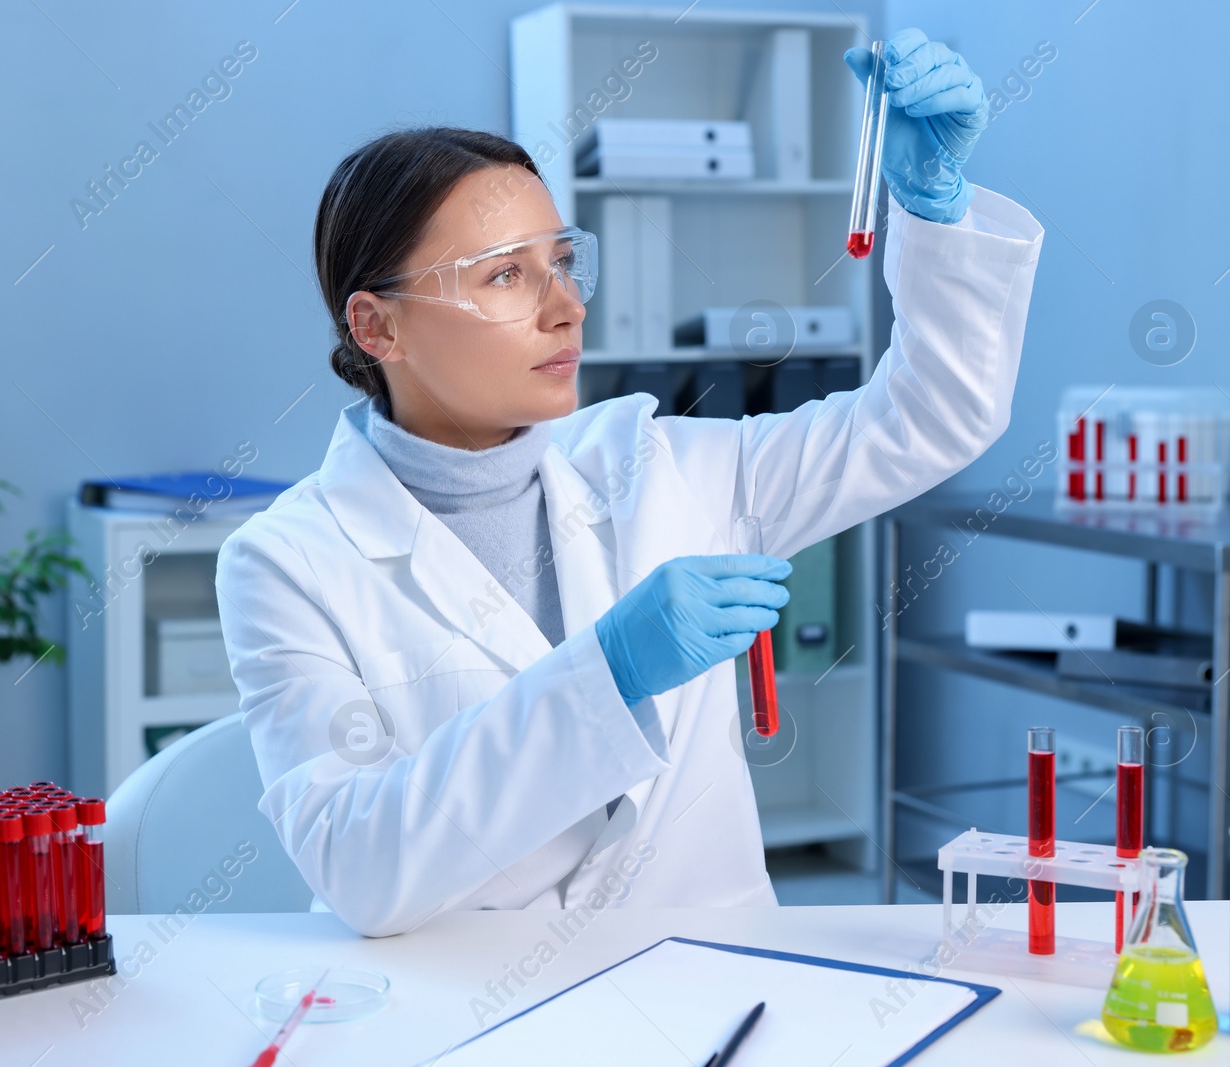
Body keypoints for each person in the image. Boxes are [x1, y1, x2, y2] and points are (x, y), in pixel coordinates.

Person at [215, 29, 1043, 937]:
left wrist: (934, 212)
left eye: (563, 262)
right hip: (459, 1013)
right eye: (505, 276)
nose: (566, 305)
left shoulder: (665, 467)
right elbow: (361, 867)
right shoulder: (287, 562)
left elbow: (932, 416)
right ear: (377, 328)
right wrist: (607, 672)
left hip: (713, 988)